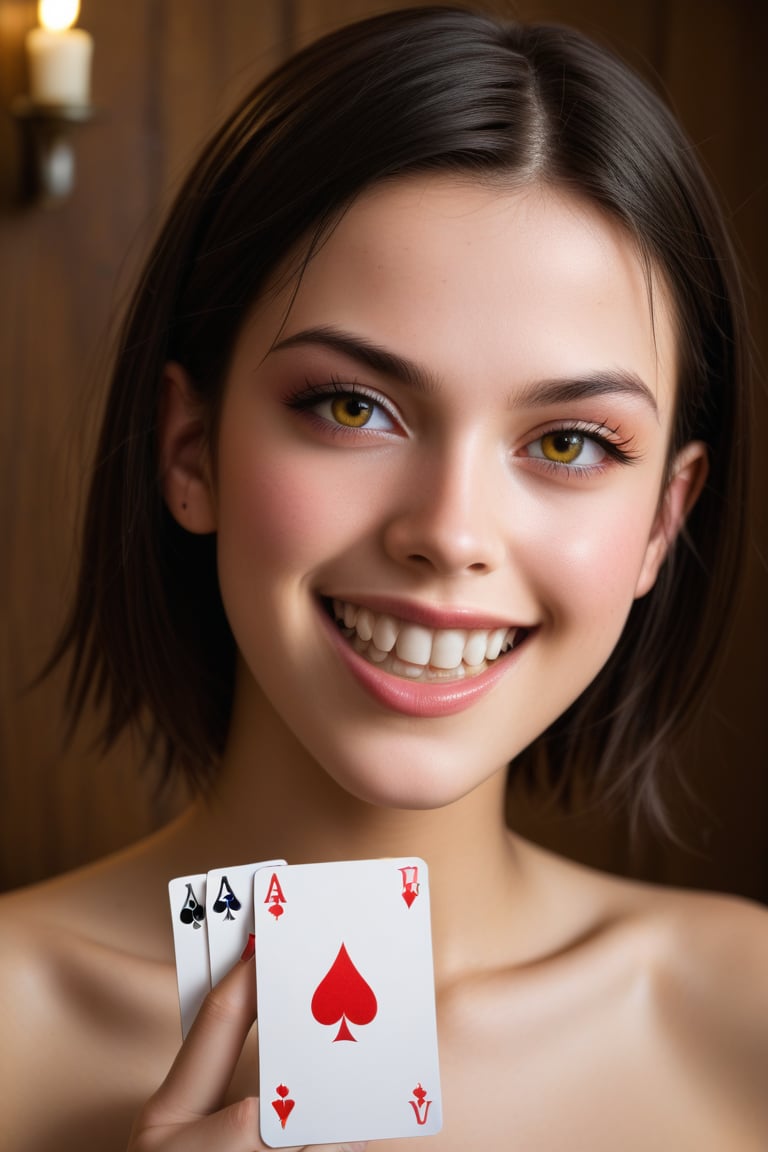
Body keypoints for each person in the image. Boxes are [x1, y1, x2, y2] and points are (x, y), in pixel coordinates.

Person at [1, 5, 766, 1150]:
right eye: (353, 408)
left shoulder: (745, 1016)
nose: (449, 533)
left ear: (665, 518)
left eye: (568, 442)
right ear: (190, 452)